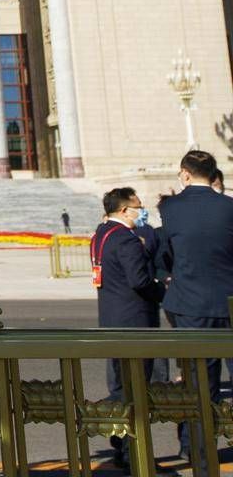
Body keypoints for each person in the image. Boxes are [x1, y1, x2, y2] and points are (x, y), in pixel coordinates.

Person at [158, 150, 233, 464]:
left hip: (190, 304)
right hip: (229, 301)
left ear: (185, 174)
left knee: (198, 382)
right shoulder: (228, 206)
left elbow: (167, 253)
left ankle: (198, 450)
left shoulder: (171, 207)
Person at [94, 187, 165, 471]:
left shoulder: (102, 233)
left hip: (112, 319)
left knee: (121, 386)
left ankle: (120, 439)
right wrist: (163, 291)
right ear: (124, 210)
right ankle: (132, 451)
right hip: (134, 321)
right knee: (135, 389)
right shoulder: (126, 238)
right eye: (138, 206)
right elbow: (139, 281)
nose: (141, 211)